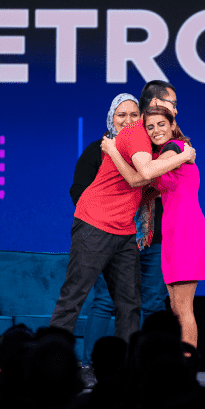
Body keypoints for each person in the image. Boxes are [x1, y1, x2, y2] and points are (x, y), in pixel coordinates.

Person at [49, 88, 195, 344]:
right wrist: (184, 155)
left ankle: (126, 369)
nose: (156, 126)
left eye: (171, 107)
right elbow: (143, 174)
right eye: (161, 105)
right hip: (96, 224)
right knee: (74, 296)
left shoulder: (156, 142)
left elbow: (145, 186)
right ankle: (49, 361)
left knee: (130, 303)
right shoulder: (136, 134)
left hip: (125, 230)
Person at [69, 93, 169, 371]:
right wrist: (105, 218)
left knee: (150, 302)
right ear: (111, 118)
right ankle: (91, 365)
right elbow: (78, 191)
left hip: (152, 239)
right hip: (108, 235)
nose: (128, 121)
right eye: (120, 115)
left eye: (134, 115)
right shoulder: (97, 150)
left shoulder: (153, 151)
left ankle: (145, 365)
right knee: (104, 301)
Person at [103, 103, 205, 349]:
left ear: (173, 125)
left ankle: (188, 366)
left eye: (161, 124)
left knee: (184, 309)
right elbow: (135, 180)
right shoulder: (164, 157)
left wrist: (113, 149)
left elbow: (146, 171)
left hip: (187, 230)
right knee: (175, 308)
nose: (155, 130)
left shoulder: (175, 148)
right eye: (150, 127)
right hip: (172, 234)